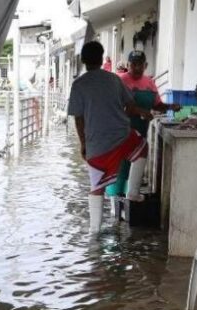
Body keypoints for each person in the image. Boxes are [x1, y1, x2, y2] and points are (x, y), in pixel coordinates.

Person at [66, 41, 154, 233]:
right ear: (101, 57)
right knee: (142, 148)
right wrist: (143, 112)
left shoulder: (78, 85)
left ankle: (94, 231)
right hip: (123, 136)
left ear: (83, 60)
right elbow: (130, 107)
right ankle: (133, 191)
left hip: (97, 145)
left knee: (97, 187)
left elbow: (78, 119)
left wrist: (84, 144)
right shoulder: (114, 79)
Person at [106, 50, 180, 222]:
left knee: (135, 162)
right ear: (128, 65)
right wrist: (141, 111)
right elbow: (119, 106)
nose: (137, 67)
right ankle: (114, 205)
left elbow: (157, 105)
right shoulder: (120, 81)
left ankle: (128, 199)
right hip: (121, 129)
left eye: (140, 64)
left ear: (145, 65)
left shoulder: (150, 83)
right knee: (119, 166)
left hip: (140, 129)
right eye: (133, 64)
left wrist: (170, 107)